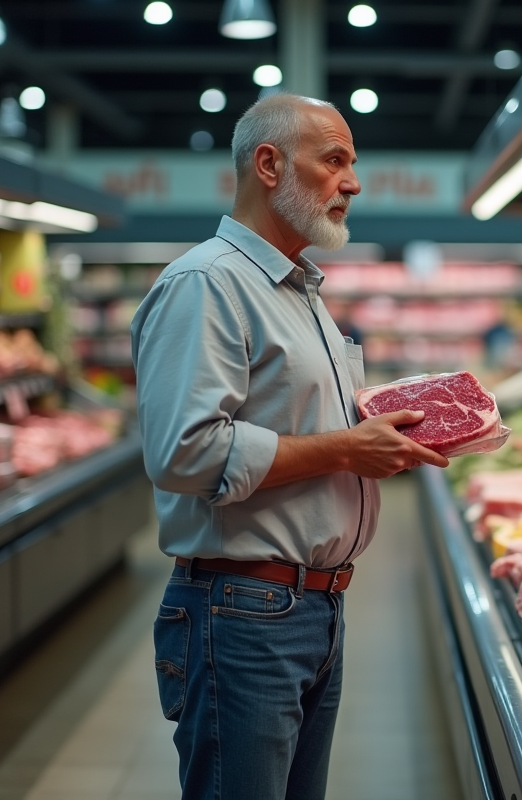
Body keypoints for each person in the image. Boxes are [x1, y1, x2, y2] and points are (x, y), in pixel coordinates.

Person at [130, 94, 450, 800]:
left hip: (313, 609)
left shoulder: (297, 289)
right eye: (335, 160)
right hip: (242, 611)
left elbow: (303, 428)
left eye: (353, 164)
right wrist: (344, 450)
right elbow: (184, 452)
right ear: (268, 165)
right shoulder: (206, 284)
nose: (353, 183)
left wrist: (379, 442)